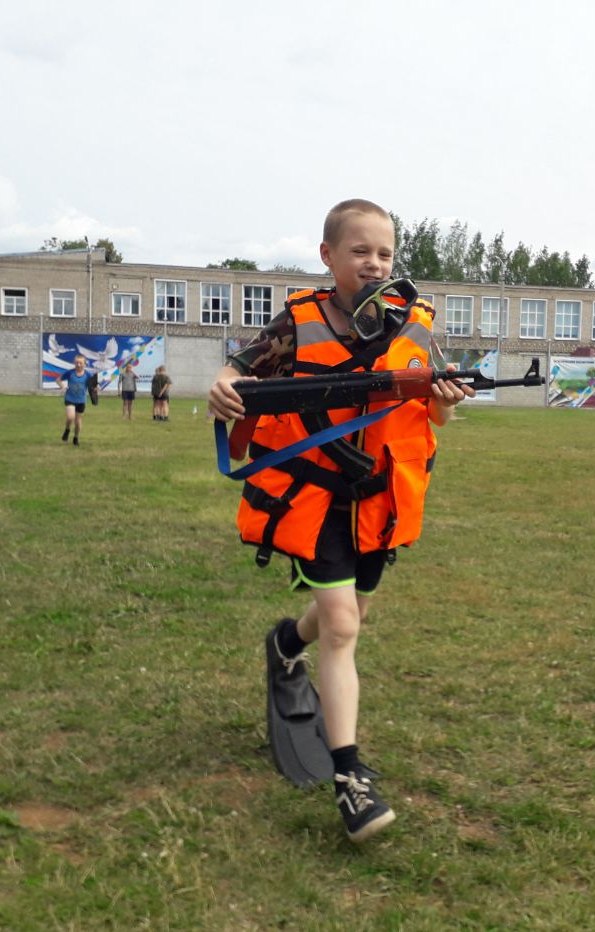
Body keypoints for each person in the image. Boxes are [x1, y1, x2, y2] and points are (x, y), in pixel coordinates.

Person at [207, 198, 474, 842]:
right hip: (317, 493)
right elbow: (240, 370)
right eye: (360, 251)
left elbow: (435, 415)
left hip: (377, 500)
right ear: (328, 257)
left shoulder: (414, 328)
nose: (374, 263)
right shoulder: (298, 324)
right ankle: (350, 780)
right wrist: (220, 385)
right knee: (344, 625)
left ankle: (284, 645)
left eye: (384, 253)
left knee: (345, 617)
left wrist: (443, 403)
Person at [57, 354, 90, 446]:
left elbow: (92, 385)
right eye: (77, 363)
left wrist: (95, 387)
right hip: (70, 398)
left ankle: (76, 437)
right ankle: (67, 430)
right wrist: (63, 386)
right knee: (70, 417)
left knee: (78, 422)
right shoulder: (70, 373)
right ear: (74, 363)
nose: (78, 365)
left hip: (81, 400)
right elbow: (58, 380)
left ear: (84, 364)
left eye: (81, 363)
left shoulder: (87, 374)